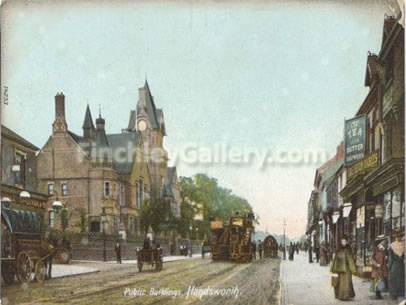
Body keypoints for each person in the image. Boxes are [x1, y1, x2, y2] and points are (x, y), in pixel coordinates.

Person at [330, 235, 356, 301]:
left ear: (346, 242)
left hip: (347, 268)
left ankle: (346, 296)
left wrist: (352, 267)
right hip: (340, 269)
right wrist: (333, 269)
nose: (344, 242)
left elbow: (351, 258)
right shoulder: (338, 249)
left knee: (347, 282)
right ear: (341, 242)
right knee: (340, 283)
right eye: (342, 241)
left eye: (345, 241)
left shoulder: (349, 249)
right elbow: (335, 260)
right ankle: (341, 296)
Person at [388, 228, 405, 300]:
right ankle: (401, 293)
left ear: (395, 236)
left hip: (394, 266)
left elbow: (390, 259)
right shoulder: (404, 245)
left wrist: (389, 267)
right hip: (402, 265)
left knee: (394, 280)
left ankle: (394, 294)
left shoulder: (392, 245)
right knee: (401, 279)